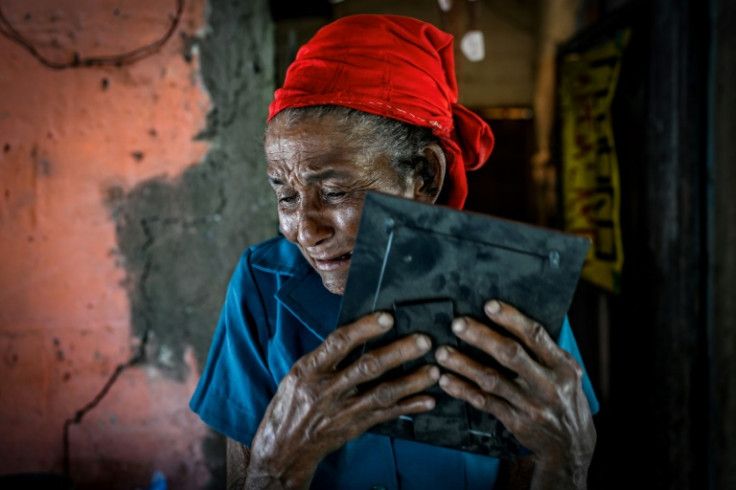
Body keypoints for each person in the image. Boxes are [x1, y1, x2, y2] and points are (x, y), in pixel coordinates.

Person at [190, 14, 598, 490]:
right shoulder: (262, 285)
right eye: (285, 195)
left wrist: (568, 463)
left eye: (337, 191)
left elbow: (542, 469)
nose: (304, 230)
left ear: (424, 177)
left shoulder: (515, 290)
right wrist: (279, 463)